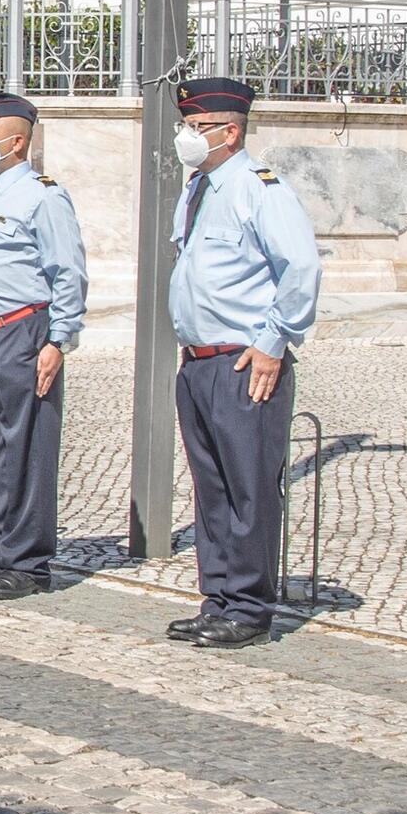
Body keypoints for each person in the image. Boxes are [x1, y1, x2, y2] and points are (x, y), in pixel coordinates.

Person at [167, 78, 322, 650]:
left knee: (249, 486)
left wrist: (274, 342)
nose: (185, 136)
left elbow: (300, 269)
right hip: (199, 361)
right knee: (212, 489)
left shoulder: (261, 189)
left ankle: (251, 607)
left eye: (195, 128)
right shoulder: (198, 189)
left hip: (244, 360)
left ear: (228, 132)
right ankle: (219, 598)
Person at [0, 92, 86, 602]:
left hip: (22, 333)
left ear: (17, 141)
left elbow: (67, 272)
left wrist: (58, 340)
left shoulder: (42, 195)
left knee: (26, 448)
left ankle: (28, 561)